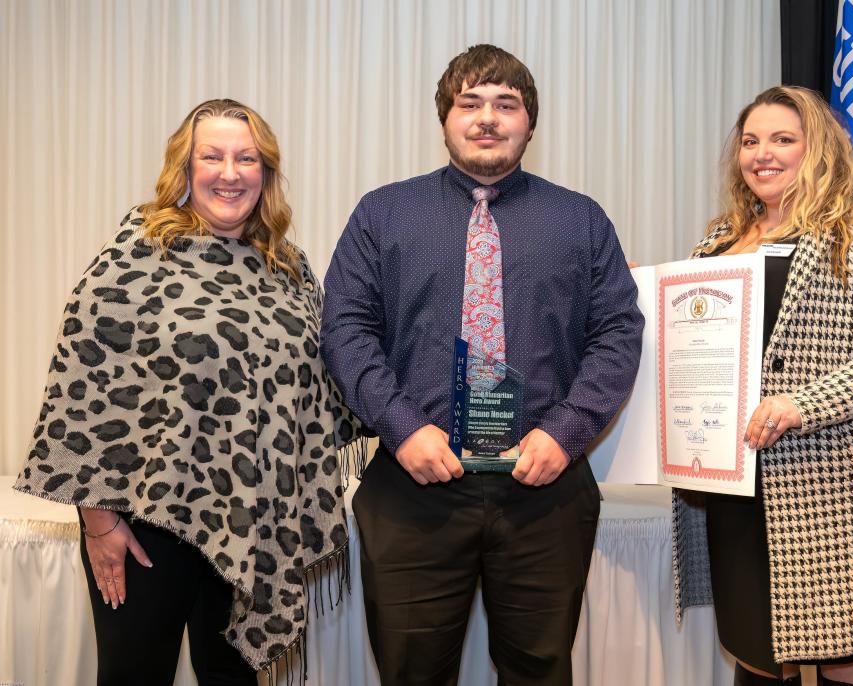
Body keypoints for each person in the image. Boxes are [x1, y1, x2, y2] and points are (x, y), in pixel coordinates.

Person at [319, 44, 643, 685]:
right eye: (470, 103)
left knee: (539, 670)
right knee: (411, 672)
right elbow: (346, 330)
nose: (487, 118)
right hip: (414, 488)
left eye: (506, 104)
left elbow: (616, 334)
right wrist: (403, 428)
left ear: (530, 122)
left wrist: (567, 431)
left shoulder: (579, 219)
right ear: (445, 118)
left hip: (544, 490)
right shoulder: (384, 214)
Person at [14, 98, 362, 685]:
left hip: (253, 521)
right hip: (145, 524)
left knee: (232, 679)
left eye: (246, 158)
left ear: (265, 172)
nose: (230, 172)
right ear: (185, 168)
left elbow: (318, 387)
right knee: (133, 676)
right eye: (213, 156)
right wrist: (98, 525)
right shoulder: (136, 256)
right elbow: (84, 394)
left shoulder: (289, 269)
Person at [672, 85, 853, 686]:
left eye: (783, 139)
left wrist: (802, 404)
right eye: (751, 141)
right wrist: (642, 300)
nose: (762, 154)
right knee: (755, 648)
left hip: (839, 487)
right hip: (738, 482)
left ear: (817, 150)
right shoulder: (718, 239)